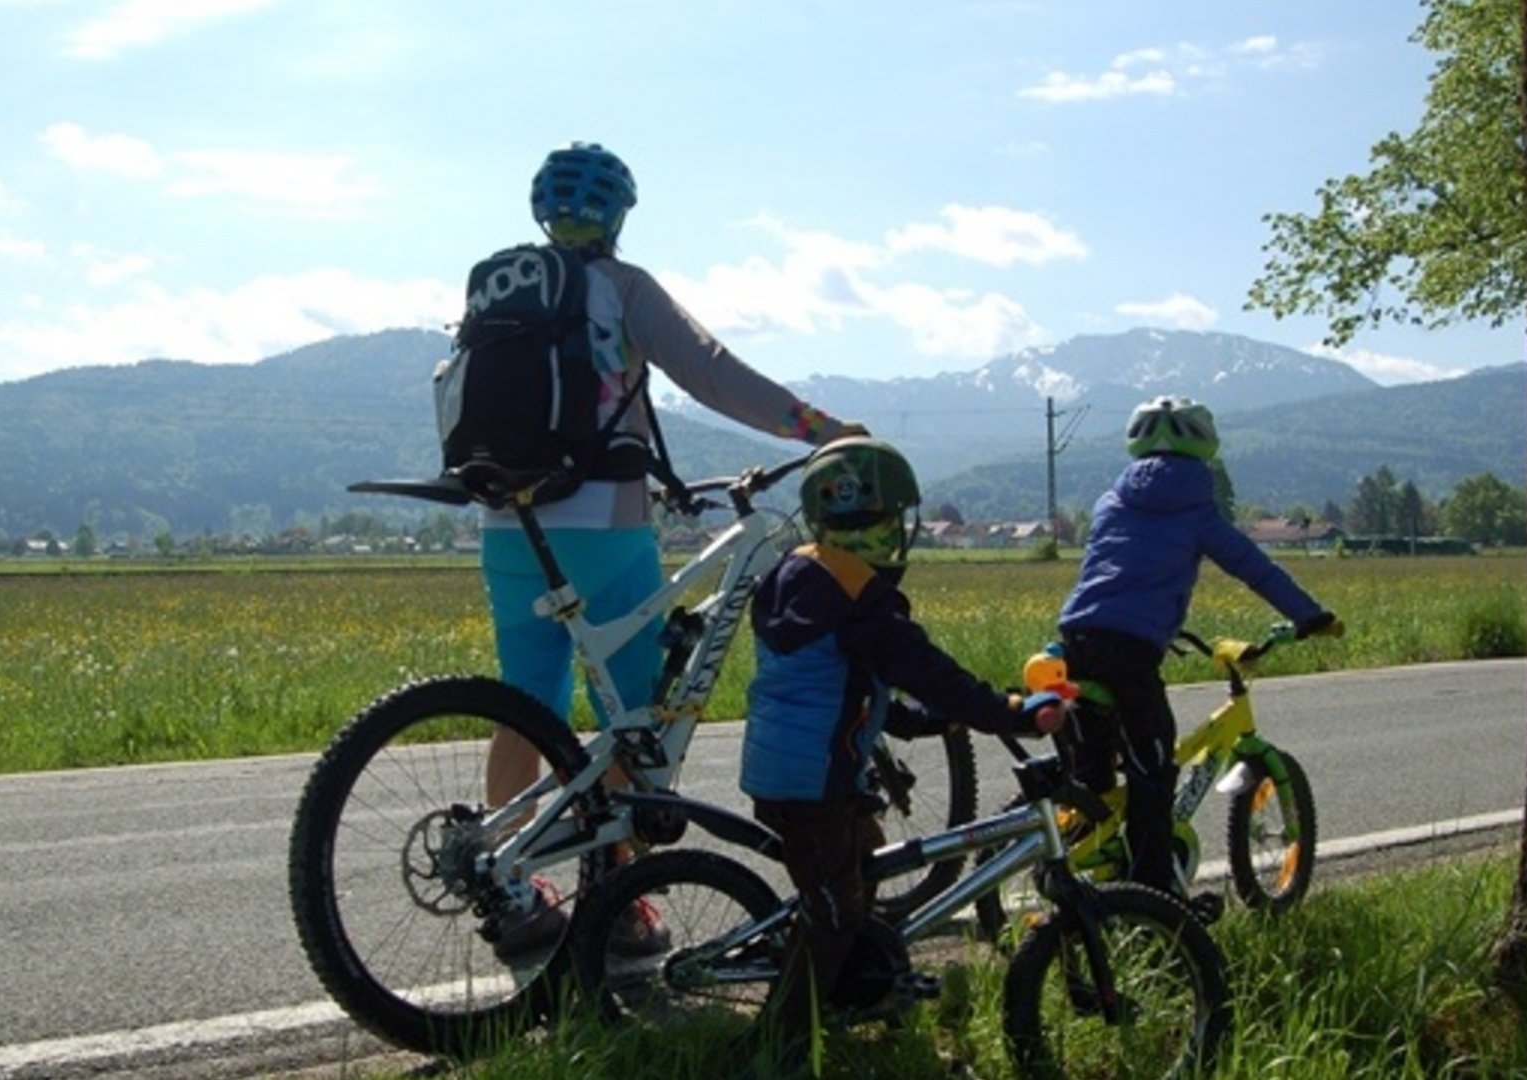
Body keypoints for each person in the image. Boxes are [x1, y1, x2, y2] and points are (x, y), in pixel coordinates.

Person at [481, 143, 866, 956]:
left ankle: (511, 888)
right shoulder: (621, 287)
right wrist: (819, 429)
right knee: (632, 717)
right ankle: (619, 897)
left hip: (505, 521)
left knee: (526, 702)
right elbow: (711, 372)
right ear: (618, 216)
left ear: (539, 212)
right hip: (601, 522)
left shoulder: (499, 287)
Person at [740, 436, 1066, 1056]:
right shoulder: (862, 602)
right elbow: (929, 671)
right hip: (811, 784)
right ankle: (777, 1045)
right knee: (834, 915)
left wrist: (924, 723)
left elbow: (849, 685)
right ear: (897, 526)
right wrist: (1012, 714)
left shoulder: (800, 576)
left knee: (859, 877)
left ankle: (854, 997)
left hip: (799, 770)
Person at [1057, 395, 1338, 913]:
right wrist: (1309, 615)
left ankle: (1086, 865)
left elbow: (1109, 573)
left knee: (1093, 768)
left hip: (1076, 640)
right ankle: (1153, 898)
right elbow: (1252, 566)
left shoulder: (1108, 502)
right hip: (1131, 652)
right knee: (1153, 775)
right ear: (1204, 445)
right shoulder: (1195, 508)